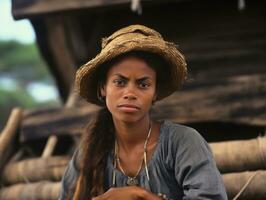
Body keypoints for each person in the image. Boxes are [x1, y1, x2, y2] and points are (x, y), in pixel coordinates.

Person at [59, 24, 227, 200]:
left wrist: (139, 196)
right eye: (119, 82)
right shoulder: (89, 153)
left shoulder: (182, 143)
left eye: (143, 84)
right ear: (103, 88)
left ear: (155, 93)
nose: (130, 93)